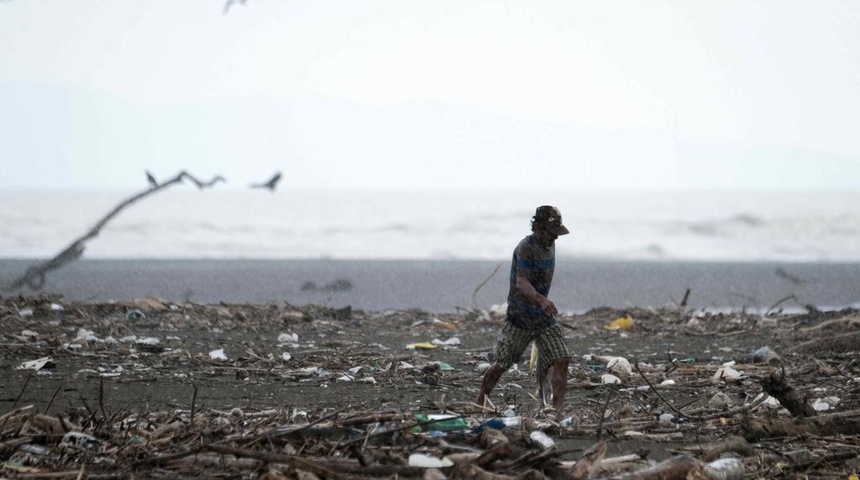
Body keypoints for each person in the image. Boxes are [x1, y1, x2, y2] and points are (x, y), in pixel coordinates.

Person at [477, 205, 572, 414]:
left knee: (562, 357)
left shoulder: (550, 244)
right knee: (502, 363)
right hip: (520, 317)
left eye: (557, 233)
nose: (554, 238)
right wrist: (541, 300)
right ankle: (480, 400)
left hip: (542, 318)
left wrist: (542, 306)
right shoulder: (525, 248)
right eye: (550, 232)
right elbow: (521, 281)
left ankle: (556, 410)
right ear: (537, 227)